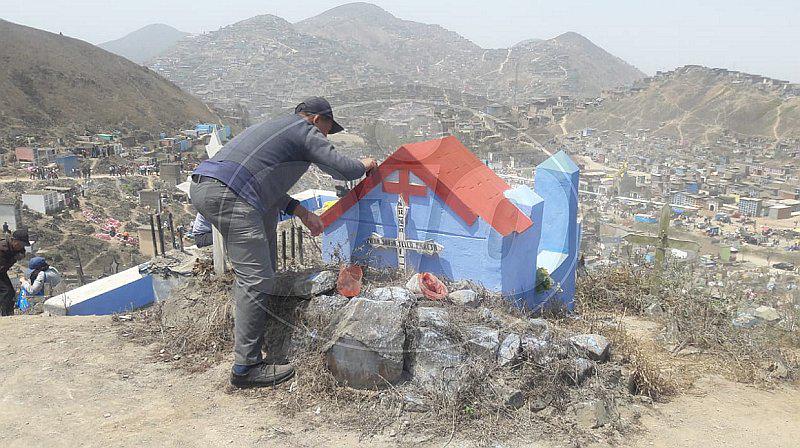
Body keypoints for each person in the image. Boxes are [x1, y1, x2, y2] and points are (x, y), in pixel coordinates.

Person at [190, 97, 377, 388]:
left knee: (265, 267)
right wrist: (367, 164)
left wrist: (302, 212)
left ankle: (261, 333)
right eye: (327, 130)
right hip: (232, 197)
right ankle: (246, 368)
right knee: (254, 277)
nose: (325, 138)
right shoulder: (304, 130)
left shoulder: (274, 127)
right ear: (316, 120)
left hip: (212, 187)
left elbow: (262, 186)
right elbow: (342, 169)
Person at [0, 229, 31, 316]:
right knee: (5, 291)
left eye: (23, 245)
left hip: (2, 273)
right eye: (20, 244)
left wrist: (20, 255)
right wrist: (13, 258)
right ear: (13, 240)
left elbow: (22, 252)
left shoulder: (15, 248)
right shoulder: (2, 248)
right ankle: (4, 314)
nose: (21, 246)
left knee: (10, 292)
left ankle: (9, 314)